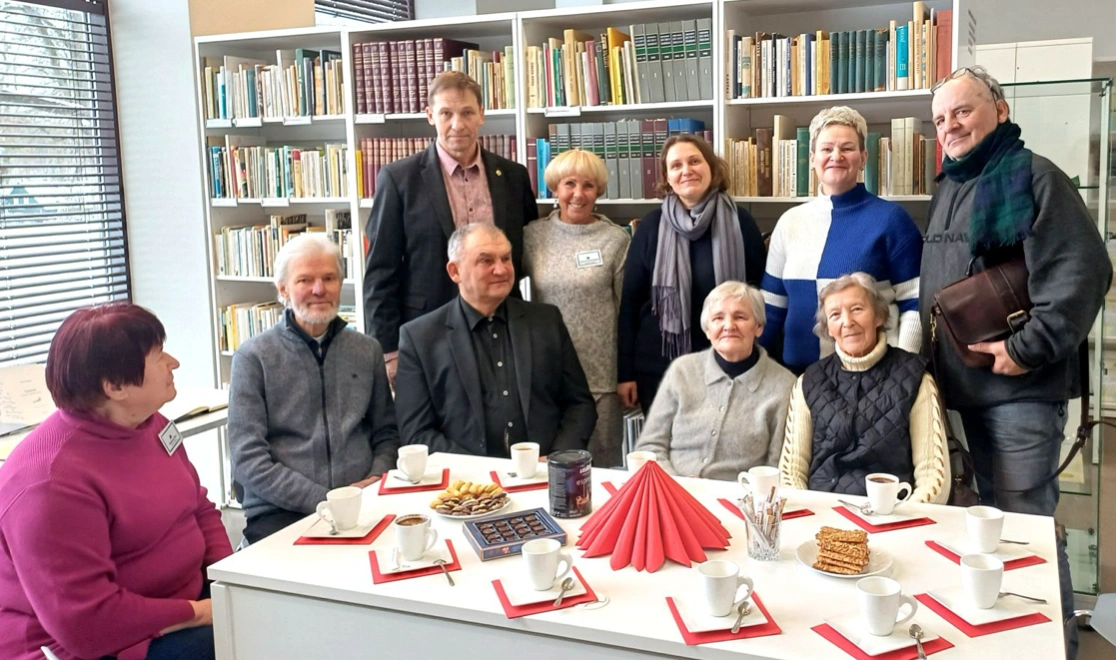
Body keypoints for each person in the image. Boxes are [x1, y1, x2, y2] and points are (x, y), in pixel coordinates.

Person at [922, 66, 1111, 657]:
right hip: (964, 389)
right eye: (940, 119)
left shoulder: (1034, 176)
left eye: (962, 111)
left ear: (1000, 110)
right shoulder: (950, 185)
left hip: (1019, 393)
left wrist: (1025, 350)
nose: (950, 126)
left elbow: (1084, 272)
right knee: (987, 528)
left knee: (1025, 530)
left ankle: (1053, 649)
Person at [0, 304, 232, 660]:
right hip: (102, 644)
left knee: (283, 609)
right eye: (158, 355)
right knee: (258, 640)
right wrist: (202, 612)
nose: (173, 363)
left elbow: (198, 506)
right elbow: (88, 623)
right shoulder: (50, 483)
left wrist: (229, 580)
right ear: (116, 386)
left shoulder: (151, 424)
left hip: (180, 606)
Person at [363, 70, 538, 385]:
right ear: (430, 115)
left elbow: (525, 251)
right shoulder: (399, 179)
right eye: (446, 113)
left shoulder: (513, 176)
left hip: (502, 326)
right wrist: (388, 351)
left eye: (467, 112)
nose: (457, 124)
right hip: (428, 331)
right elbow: (380, 271)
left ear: (481, 114)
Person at [229, 234, 399, 544]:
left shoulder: (367, 350)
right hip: (282, 511)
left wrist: (375, 479)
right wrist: (324, 499)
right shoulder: (253, 357)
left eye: (329, 278)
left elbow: (387, 432)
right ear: (283, 289)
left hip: (362, 501)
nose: (319, 289)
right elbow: (247, 459)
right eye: (305, 280)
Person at [395, 223, 597, 457]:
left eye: (506, 258)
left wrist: (557, 459)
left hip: (546, 470)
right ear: (455, 271)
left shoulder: (546, 321)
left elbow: (580, 405)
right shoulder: (420, 338)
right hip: (465, 477)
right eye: (486, 261)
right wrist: (482, 472)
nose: (501, 270)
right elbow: (416, 432)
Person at [760, 106, 923, 375]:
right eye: (826, 149)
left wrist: (903, 368)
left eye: (847, 148)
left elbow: (914, 303)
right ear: (812, 158)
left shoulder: (891, 220)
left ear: (863, 157)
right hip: (797, 376)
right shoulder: (789, 222)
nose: (836, 156)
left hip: (874, 376)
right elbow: (771, 307)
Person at [618, 134, 767, 413]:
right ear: (667, 177)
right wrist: (625, 373)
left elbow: (760, 298)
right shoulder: (650, 228)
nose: (686, 170)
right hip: (660, 367)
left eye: (695, 161)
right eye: (676, 165)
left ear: (711, 167)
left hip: (728, 362)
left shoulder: (741, 223)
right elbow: (629, 305)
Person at [779, 273, 950, 503]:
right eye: (835, 315)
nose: (847, 322)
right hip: (821, 512)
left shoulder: (915, 378)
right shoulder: (809, 381)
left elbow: (933, 478)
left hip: (893, 514)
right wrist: (811, 514)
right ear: (828, 328)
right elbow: (791, 472)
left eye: (857, 309)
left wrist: (904, 517)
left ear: (879, 315)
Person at [523, 149, 630, 467]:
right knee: (550, 468)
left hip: (601, 379)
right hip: (547, 375)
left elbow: (627, 310)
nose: (579, 194)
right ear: (555, 188)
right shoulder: (532, 236)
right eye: (569, 184)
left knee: (600, 468)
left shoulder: (615, 239)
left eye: (589, 185)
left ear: (599, 191)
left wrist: (627, 374)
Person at [633, 281, 794, 480]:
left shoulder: (784, 385)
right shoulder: (682, 371)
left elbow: (777, 467)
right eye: (718, 318)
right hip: (672, 488)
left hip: (739, 496)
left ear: (758, 327)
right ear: (708, 330)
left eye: (740, 317)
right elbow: (650, 446)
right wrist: (675, 484)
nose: (729, 326)